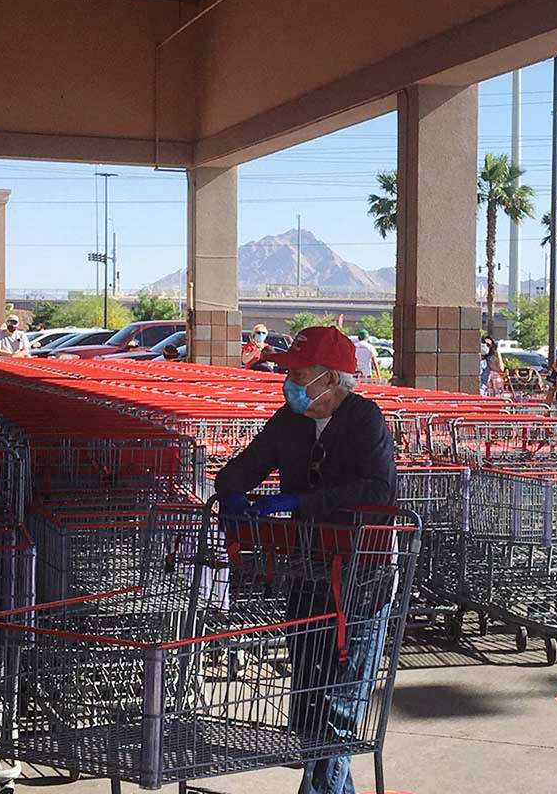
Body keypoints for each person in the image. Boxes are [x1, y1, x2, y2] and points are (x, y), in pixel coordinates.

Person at [214, 326, 395, 794]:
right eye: (288, 371)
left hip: (360, 576)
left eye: (300, 373)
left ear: (333, 379)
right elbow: (242, 467)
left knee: (338, 705)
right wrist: (231, 492)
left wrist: (301, 503)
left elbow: (379, 490)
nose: (289, 380)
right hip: (307, 574)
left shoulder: (365, 419)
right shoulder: (288, 422)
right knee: (311, 704)